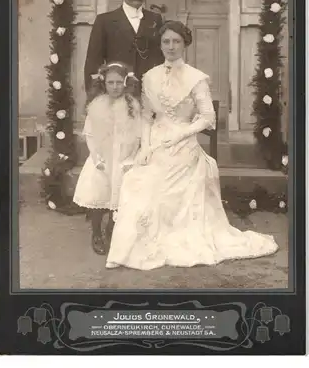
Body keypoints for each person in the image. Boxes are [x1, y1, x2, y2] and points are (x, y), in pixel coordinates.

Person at [106, 21, 279, 270]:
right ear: (160, 44)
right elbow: (145, 116)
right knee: (136, 179)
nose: (171, 46)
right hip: (155, 140)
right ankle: (126, 249)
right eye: (166, 41)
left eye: (176, 41)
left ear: (185, 44)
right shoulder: (150, 76)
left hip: (184, 142)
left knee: (161, 183)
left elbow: (208, 117)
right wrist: (144, 146)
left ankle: (166, 242)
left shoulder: (196, 78)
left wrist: (180, 135)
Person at [73, 62, 141, 255]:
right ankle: (96, 232)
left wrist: (130, 158)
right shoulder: (97, 105)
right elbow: (90, 135)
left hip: (123, 157)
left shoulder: (131, 105)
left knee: (119, 194)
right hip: (101, 158)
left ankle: (111, 229)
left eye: (119, 82)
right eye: (110, 82)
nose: (115, 87)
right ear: (104, 83)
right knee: (98, 191)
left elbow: (137, 135)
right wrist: (96, 158)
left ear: (126, 83)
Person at [84, 0, 164, 95]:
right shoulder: (105, 21)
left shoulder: (155, 20)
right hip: (116, 96)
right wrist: (96, 99)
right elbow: (93, 65)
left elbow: (161, 61)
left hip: (149, 96)